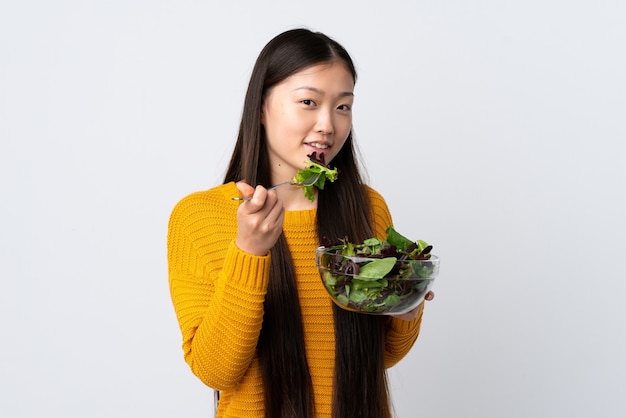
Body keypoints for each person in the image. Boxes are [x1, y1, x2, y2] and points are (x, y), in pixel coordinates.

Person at [167, 28, 435, 418]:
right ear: (260, 107)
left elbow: (379, 358)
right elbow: (216, 371)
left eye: (343, 106)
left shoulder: (368, 208)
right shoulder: (201, 216)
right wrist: (250, 252)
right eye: (308, 102)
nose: (327, 124)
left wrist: (405, 309)